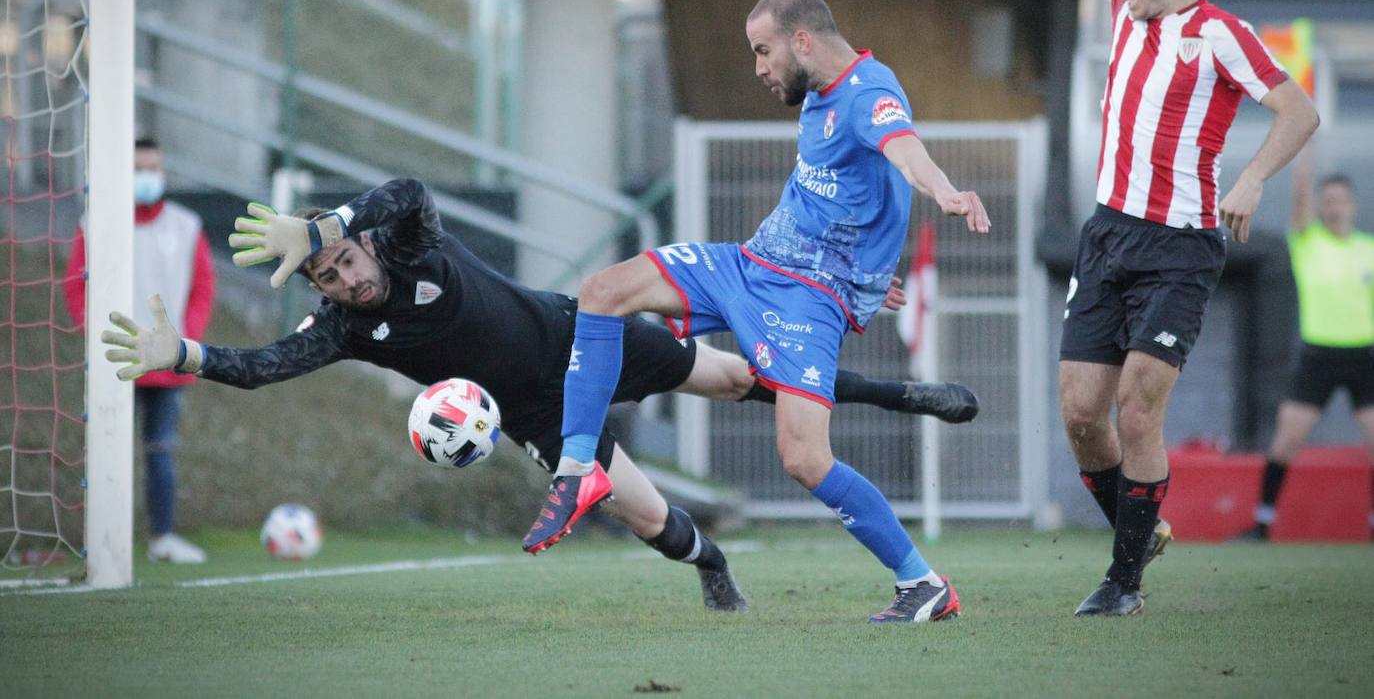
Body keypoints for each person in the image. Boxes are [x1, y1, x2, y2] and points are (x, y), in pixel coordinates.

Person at [100, 178, 978, 611]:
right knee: (639, 513)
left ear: (367, 247)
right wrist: (181, 351)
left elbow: (408, 191)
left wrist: (324, 222)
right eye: (329, 277)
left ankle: (905, 396)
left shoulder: (409, 244)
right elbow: (260, 368)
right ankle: (714, 567)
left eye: (346, 260)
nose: (347, 279)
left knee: (742, 376)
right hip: (535, 412)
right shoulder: (341, 329)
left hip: (578, 337)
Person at [526, 0, 990, 625]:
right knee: (603, 292)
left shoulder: (868, 92)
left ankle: (923, 583)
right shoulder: (818, 97)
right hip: (747, 266)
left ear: (803, 40)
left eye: (763, 51)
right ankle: (579, 466)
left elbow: (904, 153)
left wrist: (945, 191)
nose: (759, 68)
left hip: (806, 298)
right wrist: (870, 266)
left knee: (803, 458)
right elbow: (854, 193)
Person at [1064, 0, 1320, 615]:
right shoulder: (1124, 13)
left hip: (1180, 245)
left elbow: (1299, 113)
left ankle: (1124, 581)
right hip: (1107, 234)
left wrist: (1249, 183)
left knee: (1138, 408)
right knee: (1082, 414)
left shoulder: (1220, 35)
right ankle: (1142, 529)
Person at [65, 138, 216, 564]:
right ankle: (103, 541)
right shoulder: (94, 222)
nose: (147, 176)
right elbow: (77, 284)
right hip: (118, 361)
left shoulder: (186, 225)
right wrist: (95, 339)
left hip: (169, 364)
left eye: (154, 168)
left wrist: (187, 341)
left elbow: (203, 287)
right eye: (138, 168)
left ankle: (162, 538)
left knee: (161, 451)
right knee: (106, 451)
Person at [1238, 146, 1374, 541]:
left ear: (1352, 204)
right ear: (1320, 206)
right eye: (1326, 201)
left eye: (1340, 201)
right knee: (1286, 441)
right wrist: (1305, 153)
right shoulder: (1307, 242)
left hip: (1364, 357)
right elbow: (1299, 201)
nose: (1333, 208)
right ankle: (1262, 524)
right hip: (1319, 357)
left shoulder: (1368, 249)